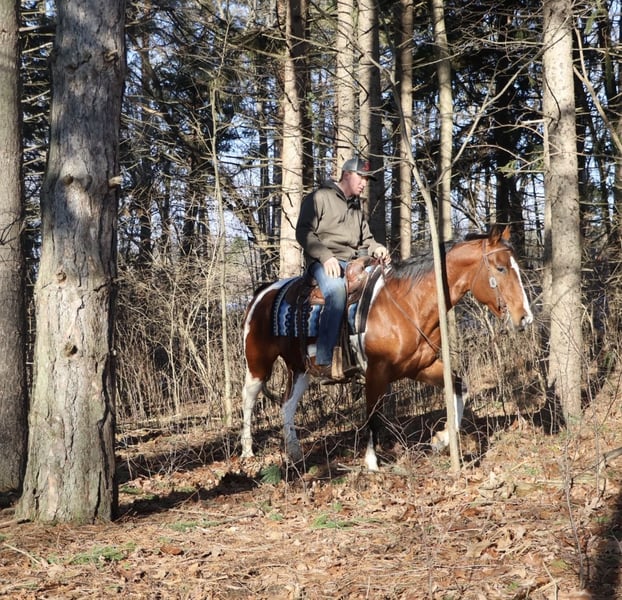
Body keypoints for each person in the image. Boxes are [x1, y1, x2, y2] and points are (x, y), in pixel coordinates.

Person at [295, 157, 390, 379]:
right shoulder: (319, 197)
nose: (364, 183)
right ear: (347, 175)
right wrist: (325, 256)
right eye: (361, 177)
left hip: (354, 263)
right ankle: (324, 360)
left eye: (367, 179)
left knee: (383, 286)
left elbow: (367, 239)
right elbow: (303, 232)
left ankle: (364, 355)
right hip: (323, 262)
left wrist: (377, 248)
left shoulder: (357, 207)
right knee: (337, 291)